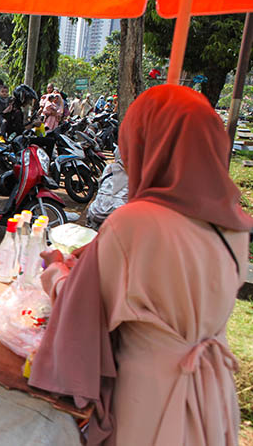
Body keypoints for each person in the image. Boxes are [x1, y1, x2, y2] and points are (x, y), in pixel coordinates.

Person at [29, 84, 251, 445]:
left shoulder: (133, 224)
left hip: (150, 401)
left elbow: (81, 307)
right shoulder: (235, 227)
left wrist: (56, 269)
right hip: (214, 399)